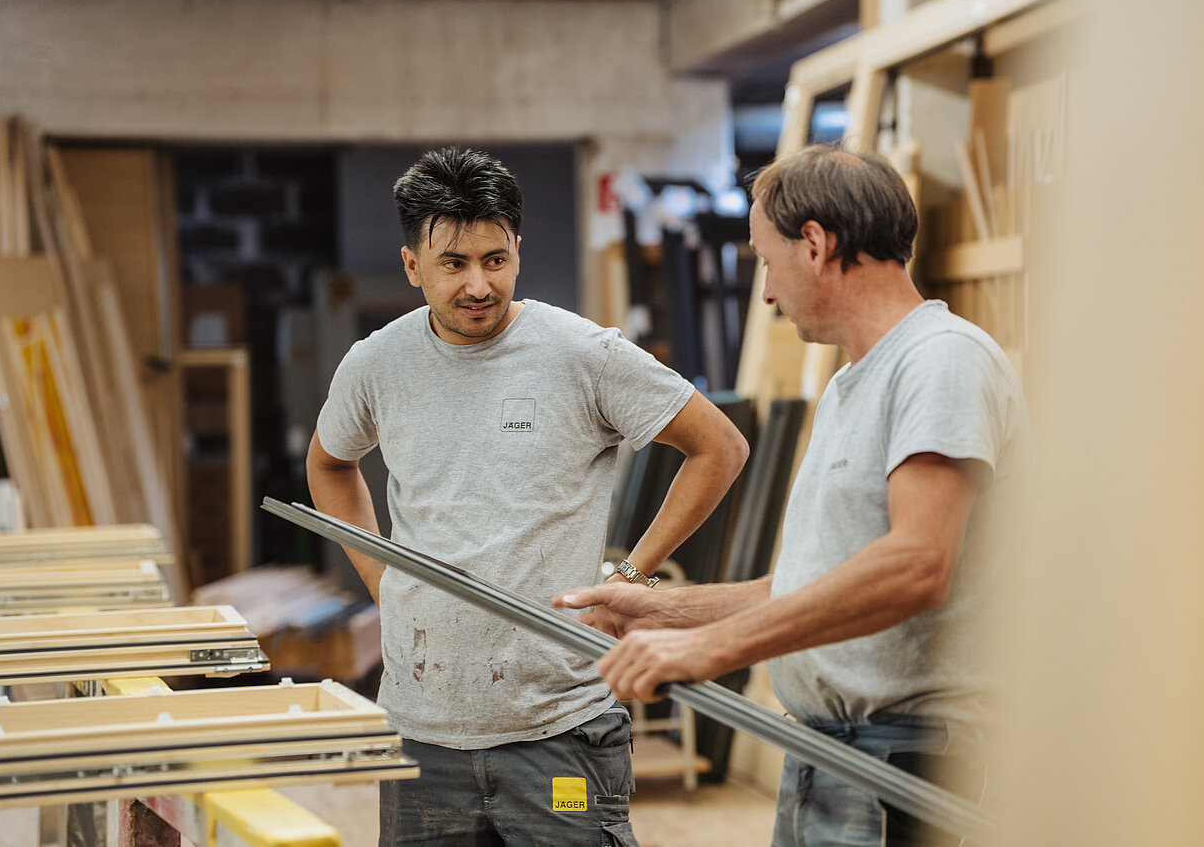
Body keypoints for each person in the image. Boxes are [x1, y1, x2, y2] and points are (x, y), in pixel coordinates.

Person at [555, 144, 1031, 846]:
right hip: (834, 756)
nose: (767, 291)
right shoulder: (850, 384)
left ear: (815, 244)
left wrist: (714, 649)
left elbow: (917, 564)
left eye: (765, 261)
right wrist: (665, 609)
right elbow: (812, 586)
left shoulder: (941, 361)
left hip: (909, 766)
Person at [307, 146, 748, 847]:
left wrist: (633, 575)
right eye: (454, 263)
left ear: (516, 248)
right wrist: (383, 579)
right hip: (422, 730)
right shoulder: (376, 364)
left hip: (561, 725)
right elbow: (329, 465)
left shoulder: (582, 353)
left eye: (496, 258)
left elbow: (719, 446)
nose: (479, 284)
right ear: (412, 265)